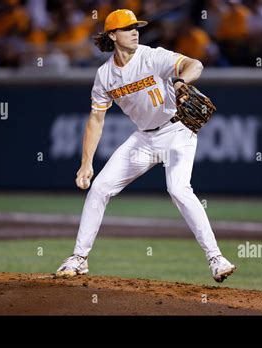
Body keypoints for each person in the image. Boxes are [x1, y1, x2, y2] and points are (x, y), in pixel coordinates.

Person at [56, 9, 236, 283]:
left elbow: (195, 64)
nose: (135, 31)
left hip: (177, 130)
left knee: (178, 188)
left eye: (136, 26)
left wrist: (180, 81)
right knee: (100, 188)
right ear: (113, 35)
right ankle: (79, 258)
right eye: (128, 28)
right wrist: (86, 163)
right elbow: (96, 119)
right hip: (144, 138)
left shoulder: (152, 56)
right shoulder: (105, 75)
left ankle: (216, 258)